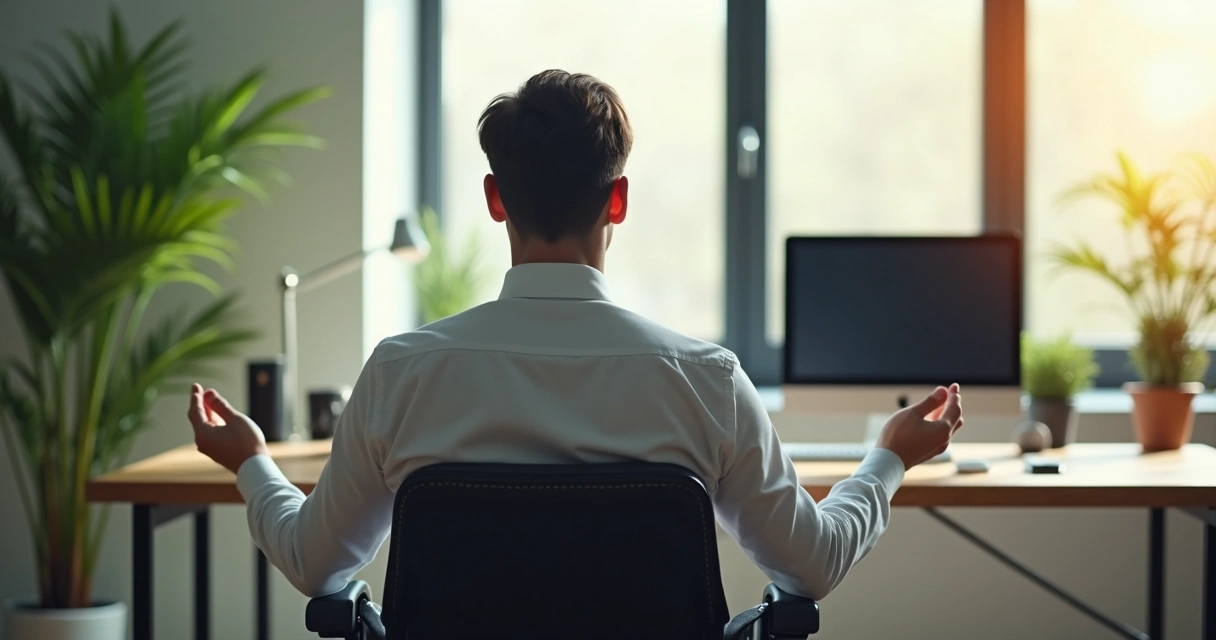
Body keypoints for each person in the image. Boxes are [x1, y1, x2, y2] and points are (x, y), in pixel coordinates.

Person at [187, 69, 964, 602]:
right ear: (617, 201)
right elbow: (811, 569)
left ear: (495, 199)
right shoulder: (707, 379)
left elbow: (316, 567)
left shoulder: (402, 372)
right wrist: (889, 458)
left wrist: (252, 461)